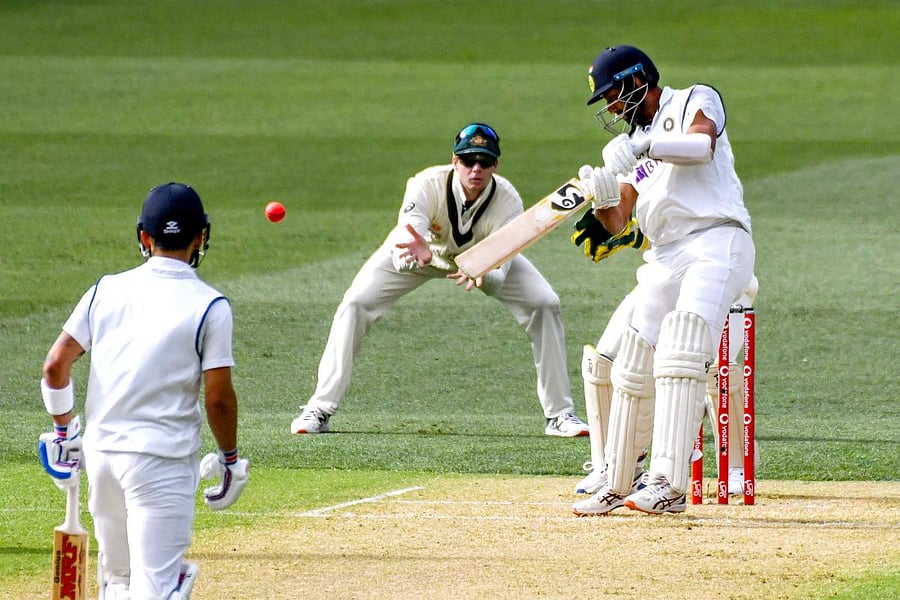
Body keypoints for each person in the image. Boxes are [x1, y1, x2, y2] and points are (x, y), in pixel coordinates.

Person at [290, 123, 589, 437]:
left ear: (495, 165)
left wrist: (481, 274)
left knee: (545, 303)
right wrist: (420, 255)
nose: (476, 169)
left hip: (480, 262)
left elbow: (498, 278)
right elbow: (401, 252)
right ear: (454, 161)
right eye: (468, 160)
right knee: (356, 303)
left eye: (484, 162)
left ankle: (560, 416)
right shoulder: (425, 184)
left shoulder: (508, 201)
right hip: (425, 254)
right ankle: (319, 409)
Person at [568, 45, 755, 515]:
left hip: (716, 240)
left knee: (681, 350)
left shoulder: (695, 98)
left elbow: (700, 146)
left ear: (636, 81)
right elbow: (619, 220)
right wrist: (602, 195)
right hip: (665, 255)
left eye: (612, 95)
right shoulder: (636, 143)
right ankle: (617, 477)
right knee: (629, 359)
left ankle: (668, 486)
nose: (611, 108)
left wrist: (642, 146)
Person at [38, 182, 249, 599]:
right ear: (201, 237)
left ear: (143, 237)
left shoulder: (105, 290)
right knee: (154, 589)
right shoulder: (210, 305)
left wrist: (65, 433)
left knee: (118, 580)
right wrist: (229, 459)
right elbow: (218, 398)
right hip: (161, 464)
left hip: (101, 460)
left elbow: (55, 365)